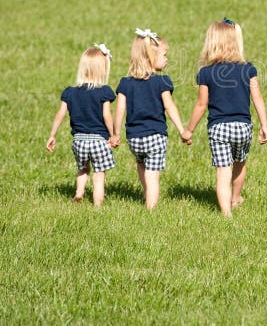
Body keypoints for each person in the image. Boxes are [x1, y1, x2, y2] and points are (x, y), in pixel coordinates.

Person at [182, 18, 267, 217]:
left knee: (223, 171)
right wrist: (264, 124)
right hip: (243, 127)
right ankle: (236, 198)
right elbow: (257, 97)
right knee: (240, 163)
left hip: (219, 128)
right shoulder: (248, 69)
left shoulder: (206, 73)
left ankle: (226, 213)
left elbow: (201, 105)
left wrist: (189, 130)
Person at [113, 28, 185, 210]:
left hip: (134, 138)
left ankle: (146, 194)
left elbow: (119, 109)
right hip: (155, 136)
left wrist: (115, 133)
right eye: (164, 55)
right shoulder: (161, 82)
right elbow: (170, 107)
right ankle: (151, 209)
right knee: (153, 175)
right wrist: (182, 130)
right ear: (151, 57)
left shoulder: (125, 83)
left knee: (141, 165)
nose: (167, 59)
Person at [47, 44, 118, 206]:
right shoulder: (104, 91)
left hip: (79, 142)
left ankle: (79, 192)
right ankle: (98, 205)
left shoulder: (70, 92)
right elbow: (106, 115)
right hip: (99, 141)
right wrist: (113, 134)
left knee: (83, 169)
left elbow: (60, 114)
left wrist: (52, 135)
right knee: (99, 175)